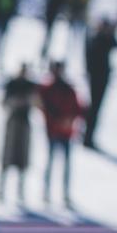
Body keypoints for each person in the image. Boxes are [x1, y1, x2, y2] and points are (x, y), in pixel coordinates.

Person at [38, 60, 83, 207]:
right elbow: (43, 107)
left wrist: (70, 121)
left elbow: (78, 109)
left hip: (67, 132)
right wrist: (57, 121)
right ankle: (46, 192)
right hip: (53, 131)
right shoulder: (47, 89)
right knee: (51, 163)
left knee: (66, 165)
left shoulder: (68, 89)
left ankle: (65, 194)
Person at [0, 63, 38, 205]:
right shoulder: (12, 84)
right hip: (13, 121)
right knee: (7, 156)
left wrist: (28, 101)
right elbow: (3, 102)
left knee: (22, 158)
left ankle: (20, 192)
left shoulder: (30, 85)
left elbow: (36, 102)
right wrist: (14, 103)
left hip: (24, 122)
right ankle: (1, 190)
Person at [83, 19, 117, 149]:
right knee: (94, 107)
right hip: (97, 77)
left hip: (100, 77)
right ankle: (88, 135)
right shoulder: (96, 39)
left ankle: (89, 134)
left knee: (95, 107)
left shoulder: (101, 39)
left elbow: (116, 44)